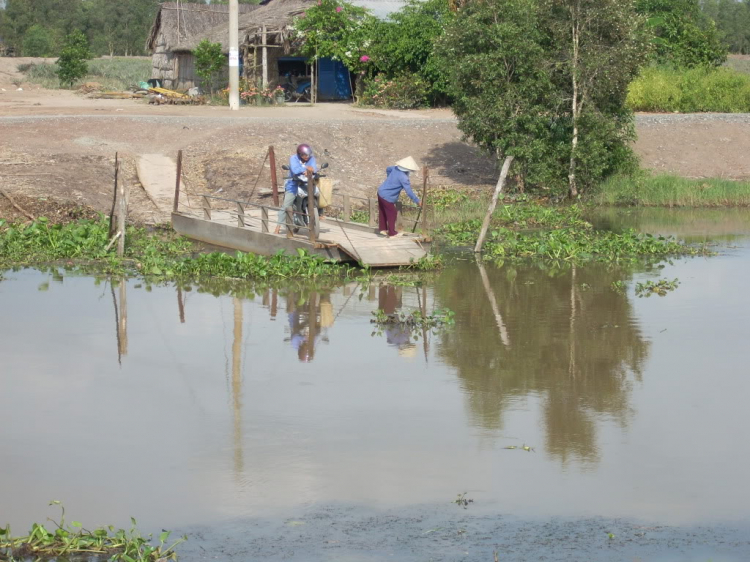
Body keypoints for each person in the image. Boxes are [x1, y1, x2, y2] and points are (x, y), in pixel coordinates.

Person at [275, 144, 318, 234]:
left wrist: (312, 170)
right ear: (299, 154)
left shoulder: (311, 159)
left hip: (307, 183)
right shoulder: (293, 158)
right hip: (293, 183)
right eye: (304, 155)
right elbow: (295, 169)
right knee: (287, 204)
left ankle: (319, 213)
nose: (307, 157)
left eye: (308, 154)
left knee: (318, 194)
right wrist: (305, 168)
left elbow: (314, 168)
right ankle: (278, 226)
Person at [376, 156, 421, 237]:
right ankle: (392, 233)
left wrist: (389, 178)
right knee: (392, 212)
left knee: (382, 211)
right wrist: (417, 200)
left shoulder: (395, 168)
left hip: (381, 191)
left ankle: (382, 229)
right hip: (387, 196)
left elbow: (388, 169)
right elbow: (409, 191)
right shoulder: (403, 178)